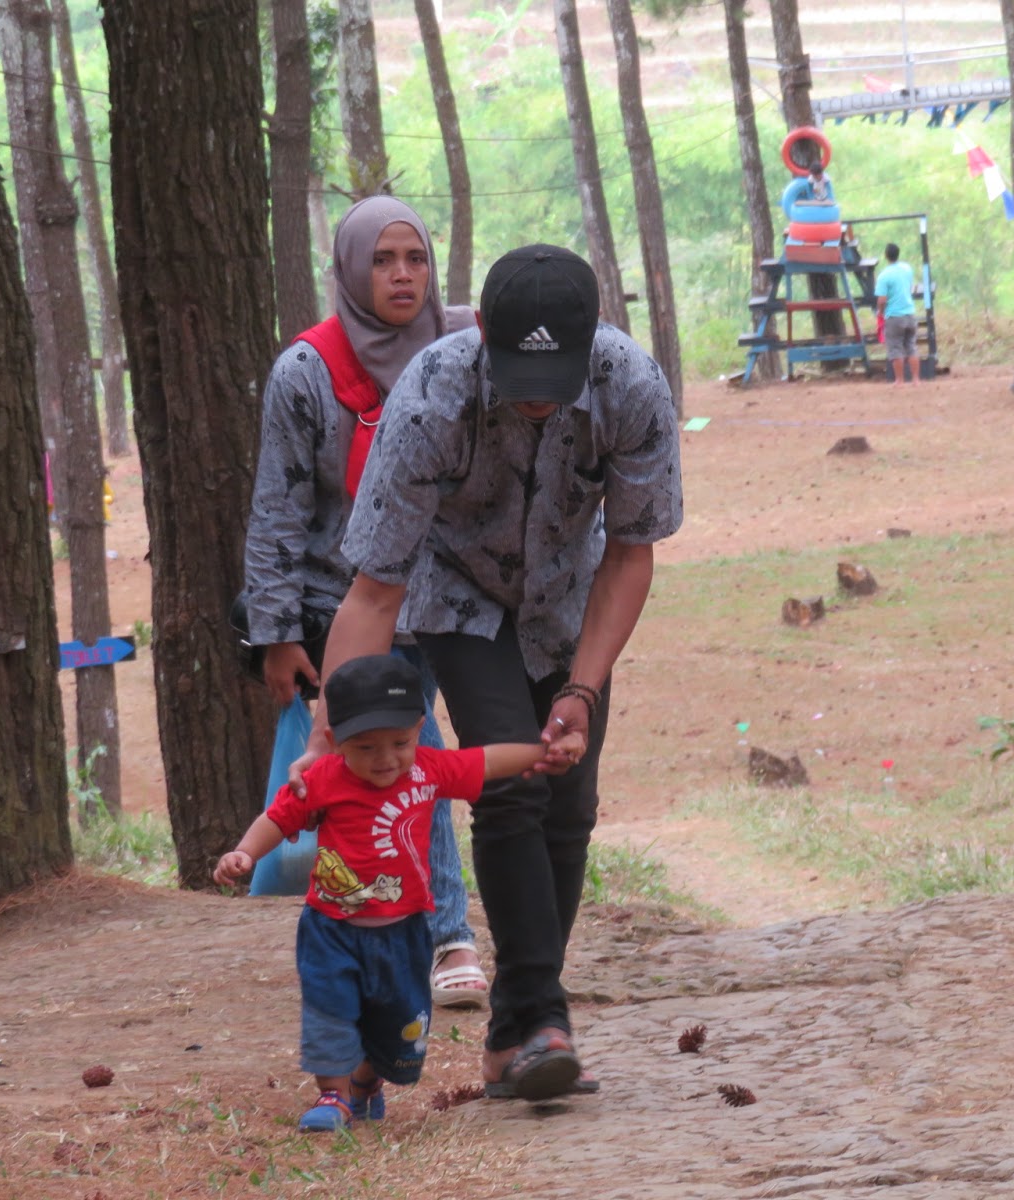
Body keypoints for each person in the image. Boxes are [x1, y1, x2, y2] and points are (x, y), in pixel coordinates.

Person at [294, 243, 684, 1103]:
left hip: (572, 599)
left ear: (591, 347)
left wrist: (583, 687)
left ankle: (513, 1037)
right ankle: (545, 1020)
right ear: (486, 342)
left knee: (567, 799)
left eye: (554, 375)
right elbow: (374, 588)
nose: (537, 393)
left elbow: (629, 553)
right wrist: (328, 729)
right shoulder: (433, 393)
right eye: (518, 372)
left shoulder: (632, 387)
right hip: (456, 593)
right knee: (508, 773)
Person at [242, 196, 491, 1011]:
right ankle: (447, 935)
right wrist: (276, 633)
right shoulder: (307, 371)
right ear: (351, 269)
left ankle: (416, 929)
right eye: (383, 261)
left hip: (456, 594)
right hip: (348, 603)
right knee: (407, 754)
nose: (402, 277)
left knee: (436, 759)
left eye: (415, 259)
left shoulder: (465, 345)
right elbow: (277, 508)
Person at [214, 655, 583, 1131]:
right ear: (334, 741)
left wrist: (541, 754)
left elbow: (486, 760)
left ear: (420, 728)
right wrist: (245, 854)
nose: (386, 759)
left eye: (400, 743)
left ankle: (366, 1083)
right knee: (331, 1012)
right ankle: (334, 1095)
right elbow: (278, 818)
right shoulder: (323, 780)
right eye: (365, 747)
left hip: (406, 932)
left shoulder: (429, 769)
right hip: (332, 929)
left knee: (397, 1026)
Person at [874, 242, 920, 385]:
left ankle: (899, 380)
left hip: (894, 316)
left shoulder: (884, 276)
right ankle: (916, 379)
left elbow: (882, 300)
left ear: (886, 256)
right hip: (910, 313)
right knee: (911, 347)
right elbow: (910, 286)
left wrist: (880, 313)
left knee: (895, 348)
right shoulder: (907, 269)